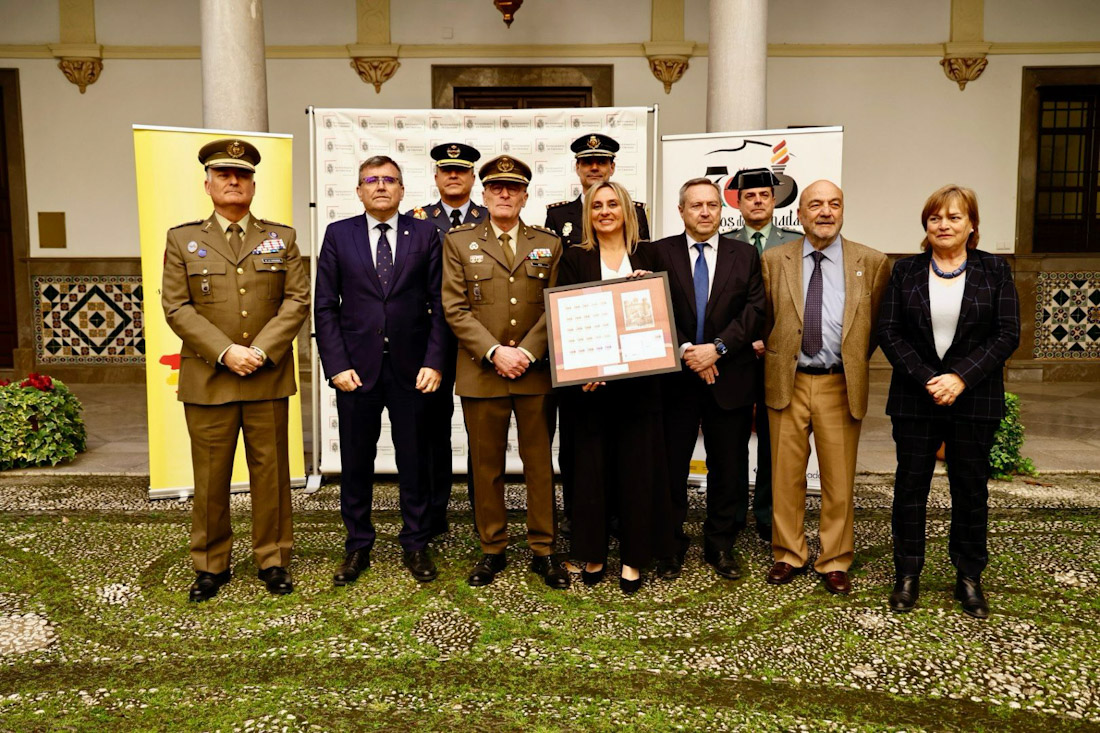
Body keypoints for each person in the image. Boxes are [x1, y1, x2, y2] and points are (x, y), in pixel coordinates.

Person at [162, 138, 309, 601]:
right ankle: (210, 564)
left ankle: (273, 558)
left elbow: (296, 300)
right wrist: (226, 351)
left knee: (271, 473)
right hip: (209, 377)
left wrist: (260, 351)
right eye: (223, 175)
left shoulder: (280, 238)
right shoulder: (182, 239)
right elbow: (176, 307)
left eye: (242, 175)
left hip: (266, 375)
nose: (233, 181)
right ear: (207, 184)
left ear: (252, 184)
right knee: (210, 475)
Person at [878, 185, 1020, 618]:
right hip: (915, 399)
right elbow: (889, 332)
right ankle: (907, 574)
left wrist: (960, 378)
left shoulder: (994, 271)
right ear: (926, 224)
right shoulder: (905, 272)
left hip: (974, 399)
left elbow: (1007, 334)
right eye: (936, 218)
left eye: (954, 217)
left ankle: (969, 576)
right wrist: (929, 379)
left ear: (971, 224)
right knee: (910, 488)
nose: (944, 225)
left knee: (971, 489)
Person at [314, 155, 446, 585]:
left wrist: (434, 360)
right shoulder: (338, 235)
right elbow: (324, 308)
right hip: (355, 371)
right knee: (356, 462)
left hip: (413, 370)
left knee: (415, 459)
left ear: (403, 190)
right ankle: (357, 546)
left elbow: (441, 306)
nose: (381, 186)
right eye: (372, 180)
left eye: (390, 180)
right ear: (358, 191)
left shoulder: (425, 234)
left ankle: (416, 543)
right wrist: (336, 365)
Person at [441, 155, 569, 590]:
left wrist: (527, 354)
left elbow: (556, 304)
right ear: (483, 194)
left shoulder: (548, 243)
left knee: (538, 464)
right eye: (496, 187)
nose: (504, 194)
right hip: (482, 373)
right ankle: (492, 547)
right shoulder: (458, 242)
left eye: (513, 188)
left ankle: (543, 548)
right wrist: (495, 352)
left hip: (535, 373)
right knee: (486, 465)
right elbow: (454, 308)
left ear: (525, 195)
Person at [760, 180, 890, 595]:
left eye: (834, 204)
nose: (826, 212)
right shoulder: (773, 259)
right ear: (799, 214)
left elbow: (874, 328)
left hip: (839, 383)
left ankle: (834, 558)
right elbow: (766, 319)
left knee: (838, 479)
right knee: (786, 476)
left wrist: (848, 359)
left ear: (843, 210)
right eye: (815, 204)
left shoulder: (871, 261)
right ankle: (788, 553)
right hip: (789, 381)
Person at [556, 181, 668, 594]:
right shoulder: (574, 259)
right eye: (597, 205)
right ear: (588, 214)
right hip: (591, 388)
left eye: (613, 204)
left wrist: (649, 287)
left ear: (627, 211)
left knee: (637, 472)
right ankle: (594, 552)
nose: (605, 211)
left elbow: (665, 318)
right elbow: (564, 320)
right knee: (591, 473)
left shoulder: (651, 256)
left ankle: (634, 558)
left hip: (640, 388)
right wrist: (582, 367)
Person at [651, 178, 765, 581]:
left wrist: (715, 349)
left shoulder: (745, 254)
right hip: (675, 380)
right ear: (681, 211)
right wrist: (687, 351)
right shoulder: (657, 251)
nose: (704, 212)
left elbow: (754, 311)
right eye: (695, 205)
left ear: (722, 211)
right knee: (670, 466)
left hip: (728, 376)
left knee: (728, 467)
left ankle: (720, 545)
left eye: (712, 205)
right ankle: (670, 545)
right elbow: (653, 307)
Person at [544, 133, 650, 537]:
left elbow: (651, 299)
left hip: (637, 372)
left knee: (631, 451)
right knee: (581, 452)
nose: (594, 168)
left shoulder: (642, 235)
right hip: (587, 373)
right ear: (577, 168)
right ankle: (584, 522)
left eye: (601, 161)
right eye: (587, 162)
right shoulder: (563, 223)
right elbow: (561, 301)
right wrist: (584, 364)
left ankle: (629, 521)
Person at [407, 142, 487, 537]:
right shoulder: (416, 220)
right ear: (436, 177)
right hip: (430, 340)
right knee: (432, 429)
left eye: (461, 170)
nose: (454, 176)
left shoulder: (491, 218)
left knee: (482, 431)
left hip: (479, 340)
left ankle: (482, 512)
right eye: (446, 170)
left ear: (473, 178)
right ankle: (434, 512)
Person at [727, 168, 803, 544]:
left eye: (764, 195)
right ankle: (735, 511)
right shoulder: (725, 243)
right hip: (737, 357)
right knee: (735, 437)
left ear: (775, 201)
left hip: (779, 355)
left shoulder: (796, 243)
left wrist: (769, 340)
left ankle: (768, 514)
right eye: (750, 196)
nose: (757, 201)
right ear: (738, 203)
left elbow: (799, 305)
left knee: (775, 439)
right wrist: (746, 341)